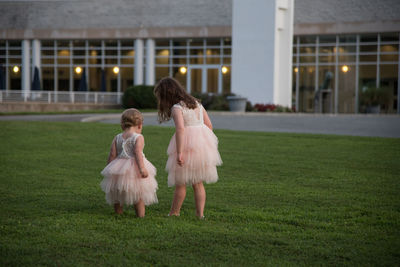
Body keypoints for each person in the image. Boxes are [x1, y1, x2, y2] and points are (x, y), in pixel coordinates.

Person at [154, 77, 222, 219]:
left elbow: (180, 129)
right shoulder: (197, 103)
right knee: (198, 183)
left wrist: (179, 152)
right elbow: (209, 125)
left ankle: (174, 212)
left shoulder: (177, 108)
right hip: (201, 146)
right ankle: (200, 214)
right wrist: (205, 142)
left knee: (181, 183)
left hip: (185, 145)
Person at [100, 108, 158, 217]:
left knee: (117, 191)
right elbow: (137, 153)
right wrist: (142, 168)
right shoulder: (138, 137)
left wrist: (109, 168)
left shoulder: (117, 137)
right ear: (140, 125)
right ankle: (140, 215)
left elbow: (112, 154)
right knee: (138, 192)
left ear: (123, 125)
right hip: (134, 168)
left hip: (118, 167)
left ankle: (118, 212)